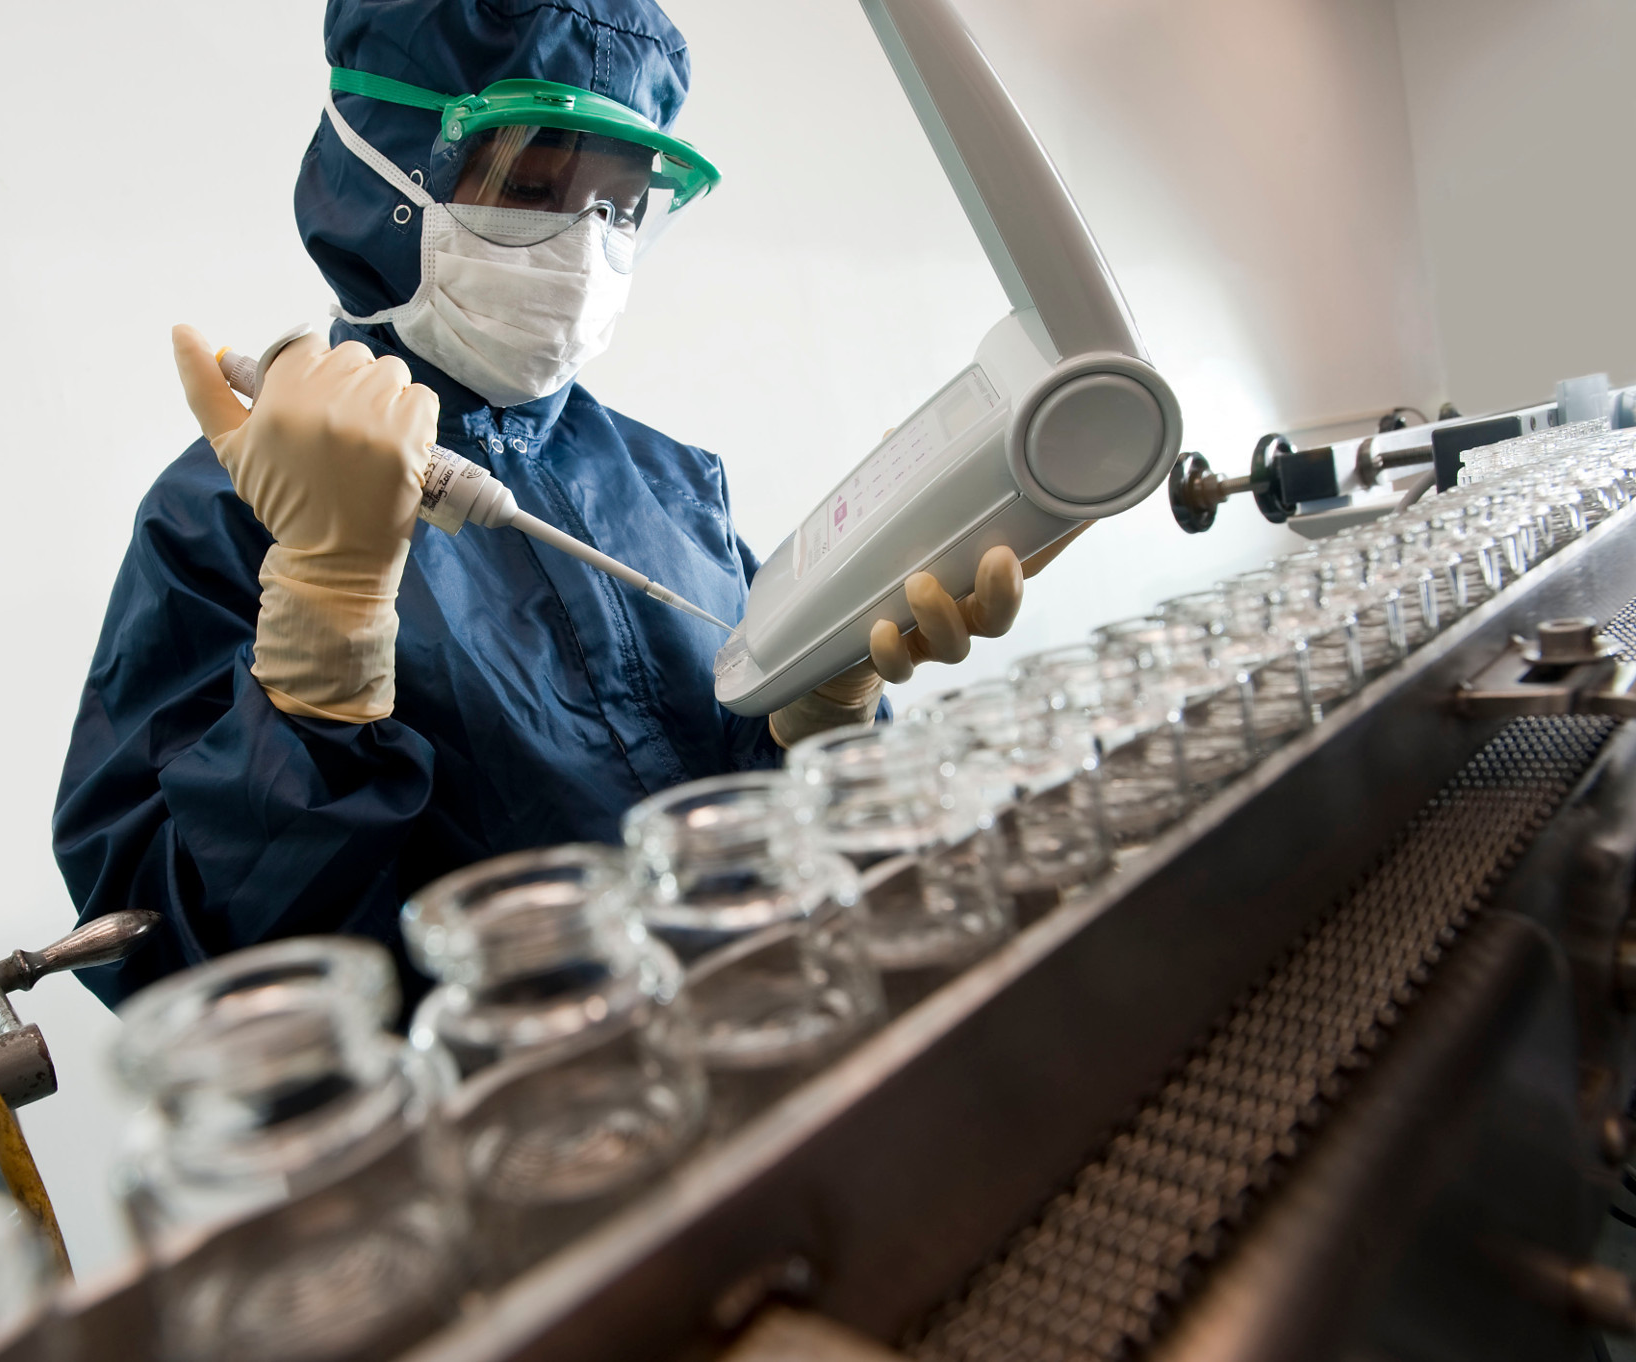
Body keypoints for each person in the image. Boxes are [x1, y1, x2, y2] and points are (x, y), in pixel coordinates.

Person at [53, 0, 1069, 1008]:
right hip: (499, 1129)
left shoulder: (663, 480)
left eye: (620, 204)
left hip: (763, 1042)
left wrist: (820, 726)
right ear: (386, 172)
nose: (581, 246)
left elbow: (773, 834)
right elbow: (189, 981)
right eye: (530, 182)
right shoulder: (229, 511)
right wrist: (320, 637)